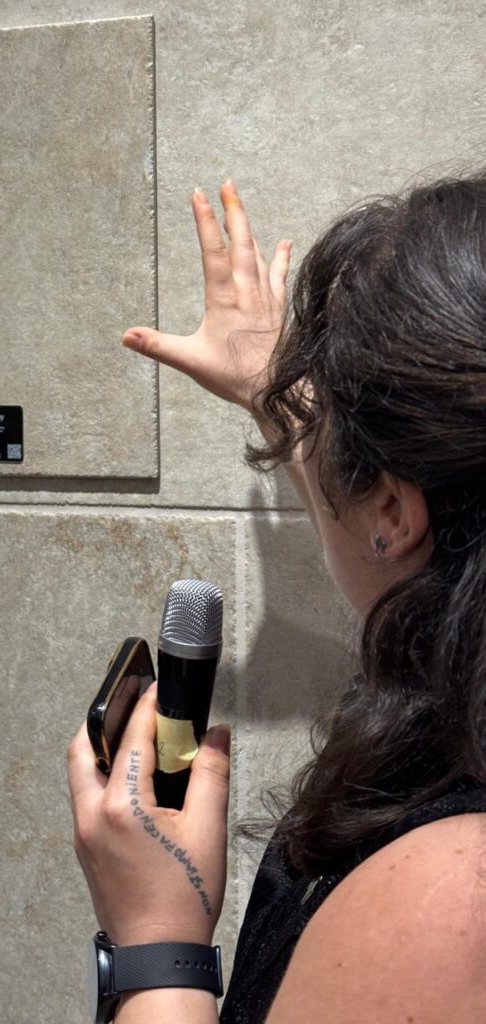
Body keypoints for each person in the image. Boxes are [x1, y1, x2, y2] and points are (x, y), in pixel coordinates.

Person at [67, 172, 486, 1022]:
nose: (307, 437)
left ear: (396, 510)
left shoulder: (451, 902)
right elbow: (387, 503)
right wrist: (281, 391)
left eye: (320, 415)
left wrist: (157, 934)